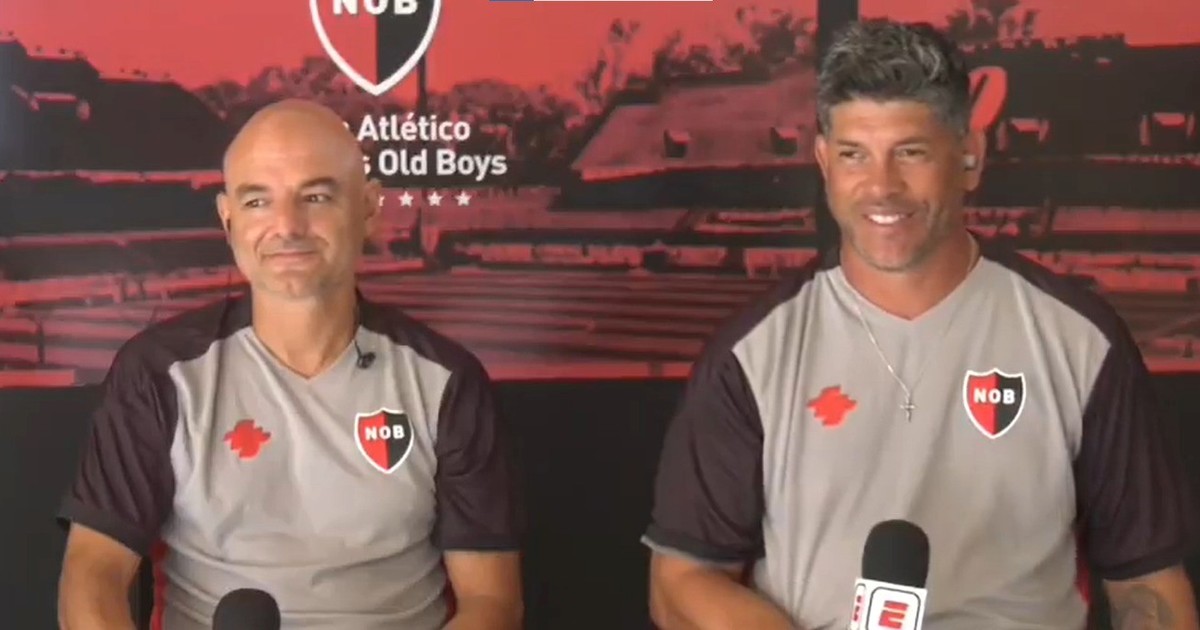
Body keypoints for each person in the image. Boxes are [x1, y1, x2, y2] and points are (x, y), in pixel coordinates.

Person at [642, 20, 1199, 630]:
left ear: (969, 157)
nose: (881, 187)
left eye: (911, 152)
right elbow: (682, 580)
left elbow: (1147, 582)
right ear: (824, 162)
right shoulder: (752, 354)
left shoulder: (1080, 340)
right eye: (854, 155)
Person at [56, 99, 524, 629]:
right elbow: (93, 573)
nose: (287, 226)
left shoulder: (444, 379)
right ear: (228, 219)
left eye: (316, 197)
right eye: (257, 201)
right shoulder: (158, 373)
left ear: (369, 207)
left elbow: (492, 601)